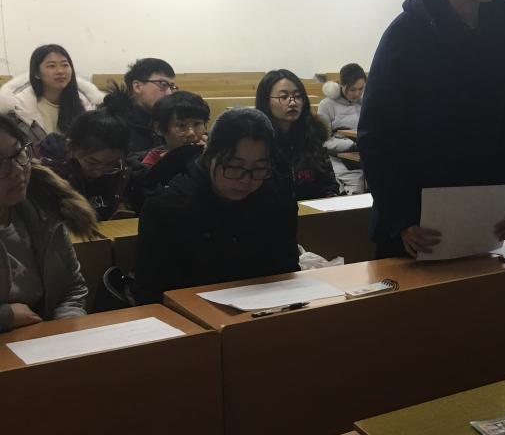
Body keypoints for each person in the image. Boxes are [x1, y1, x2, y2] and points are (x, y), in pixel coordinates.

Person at [359, 0, 505, 259]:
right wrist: (400, 218)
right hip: (416, 218)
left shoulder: (503, 33)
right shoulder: (405, 35)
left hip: (483, 208)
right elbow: (377, 135)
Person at [133, 108, 299, 303]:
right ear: (208, 155)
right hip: (191, 311)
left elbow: (287, 267)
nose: (246, 180)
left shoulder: (277, 194)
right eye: (234, 167)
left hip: (265, 305)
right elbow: (151, 292)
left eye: (259, 168)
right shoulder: (168, 205)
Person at [0, 114, 96, 331]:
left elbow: (71, 289)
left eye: (18, 153)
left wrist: (63, 333)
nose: (17, 170)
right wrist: (6, 317)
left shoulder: (44, 208)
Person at [256, 69, 339, 201]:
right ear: (266, 101)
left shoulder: (312, 135)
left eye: (298, 96)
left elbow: (329, 184)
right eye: (283, 97)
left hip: (312, 210)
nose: (293, 102)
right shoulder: (258, 140)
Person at [125, 91, 211, 214]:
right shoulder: (144, 167)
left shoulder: (211, 157)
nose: (191, 133)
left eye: (197, 124)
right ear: (159, 129)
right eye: (181, 125)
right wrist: (170, 165)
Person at [40, 108, 130, 221]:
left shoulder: (120, 171)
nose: (99, 172)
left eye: (110, 165)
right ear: (69, 146)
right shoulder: (48, 174)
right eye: (91, 162)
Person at [0, 45, 105, 140]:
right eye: (51, 66)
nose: (60, 71)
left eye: (65, 65)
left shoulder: (85, 104)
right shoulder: (19, 108)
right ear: (36, 73)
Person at [103, 58, 177, 154]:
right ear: (137, 86)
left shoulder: (167, 118)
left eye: (171, 87)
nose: (169, 93)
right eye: (163, 84)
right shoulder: (110, 123)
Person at [318, 63, 367, 194]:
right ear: (341, 85)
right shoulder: (327, 105)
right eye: (352, 89)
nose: (357, 94)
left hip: (362, 156)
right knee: (355, 187)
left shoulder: (364, 103)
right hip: (337, 158)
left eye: (361, 89)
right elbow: (323, 140)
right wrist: (351, 146)